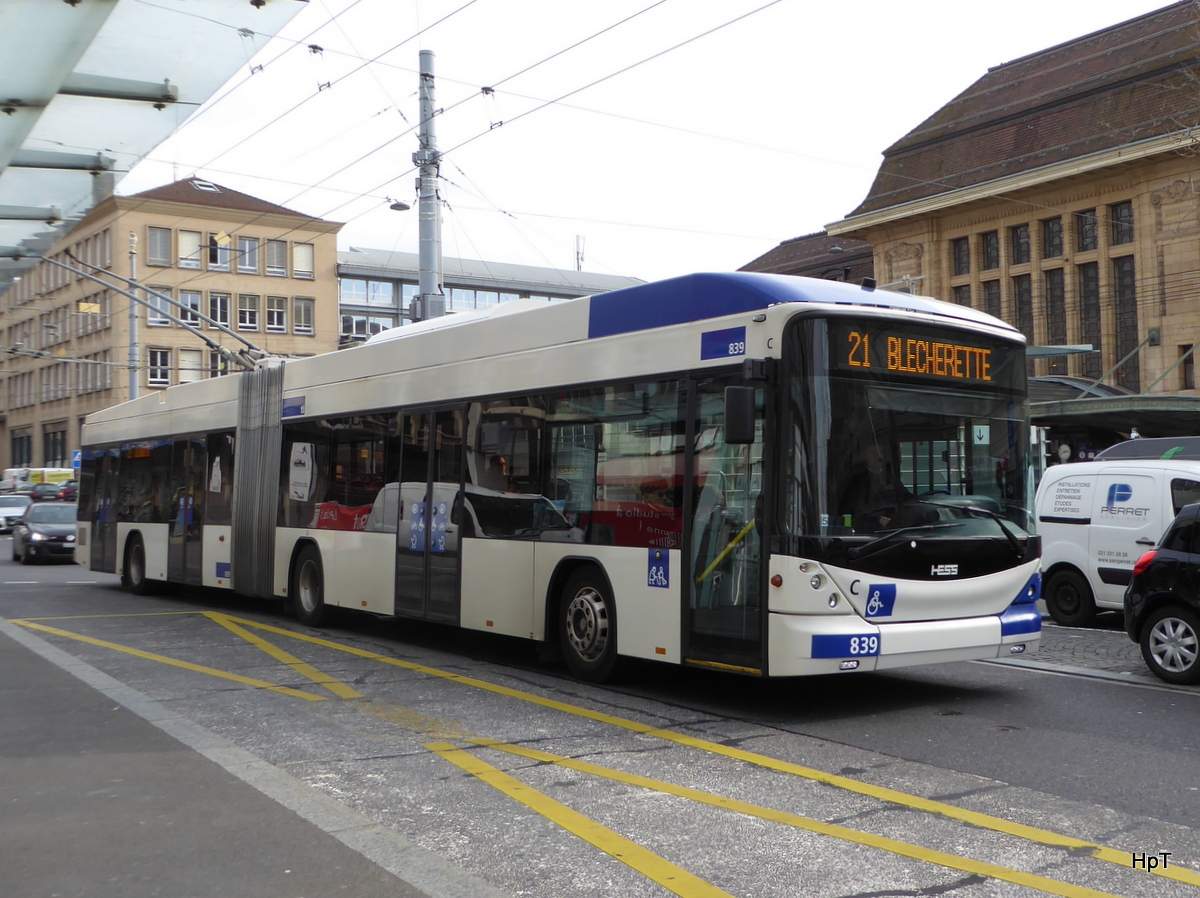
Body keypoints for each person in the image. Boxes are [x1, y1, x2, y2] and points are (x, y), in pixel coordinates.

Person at [839, 443, 910, 531]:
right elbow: (858, 508)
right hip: (869, 531)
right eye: (873, 453)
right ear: (864, 455)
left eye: (880, 452)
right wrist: (878, 518)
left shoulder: (889, 477)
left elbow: (904, 496)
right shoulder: (858, 479)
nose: (878, 456)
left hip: (893, 529)